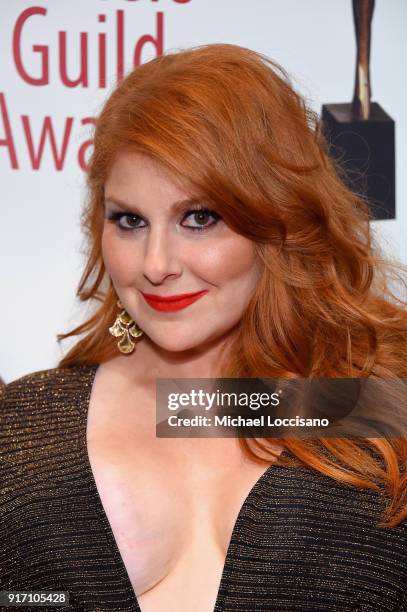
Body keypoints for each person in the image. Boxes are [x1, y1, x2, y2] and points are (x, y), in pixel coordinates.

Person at [1, 43, 407, 612]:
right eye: (130, 221)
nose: (156, 263)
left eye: (199, 218)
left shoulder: (364, 402)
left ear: (278, 218)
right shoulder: (23, 426)